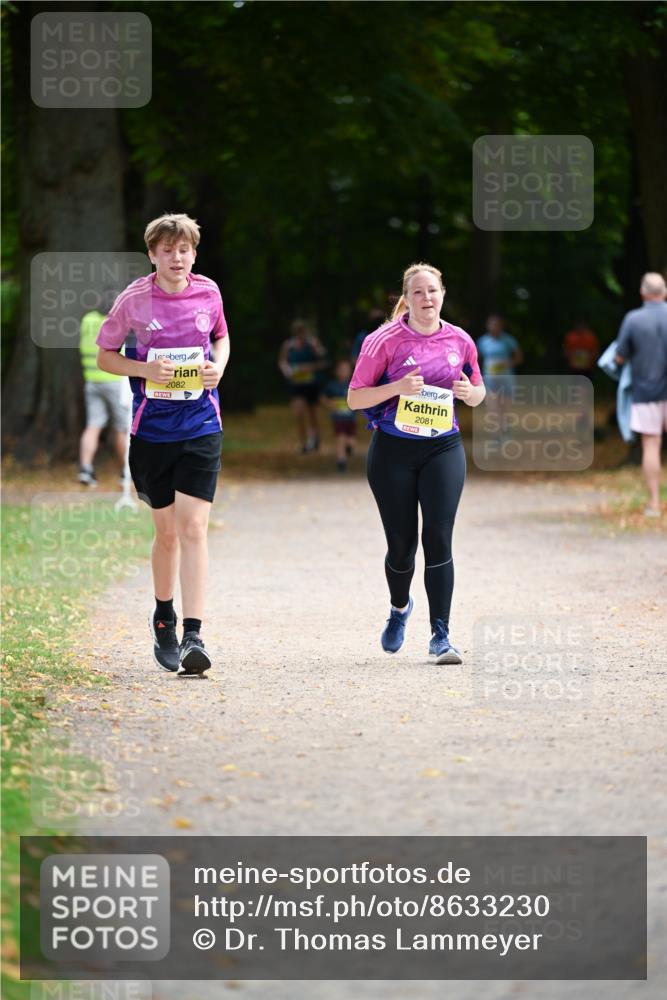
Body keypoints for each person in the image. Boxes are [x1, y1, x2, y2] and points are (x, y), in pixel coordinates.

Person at [96, 213, 230, 675]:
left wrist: (219, 366)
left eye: (185, 250)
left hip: (200, 425)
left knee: (194, 528)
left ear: (194, 253)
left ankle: (194, 632)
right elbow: (105, 357)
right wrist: (145, 370)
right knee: (167, 533)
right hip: (151, 432)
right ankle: (163, 616)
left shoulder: (208, 292)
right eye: (168, 250)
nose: (178, 257)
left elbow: (221, 338)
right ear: (152, 254)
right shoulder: (134, 299)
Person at [347, 263, 485, 664]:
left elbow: (479, 392)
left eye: (433, 291)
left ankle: (441, 636)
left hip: (443, 448)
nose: (427, 299)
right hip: (393, 450)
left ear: (444, 293)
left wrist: (470, 393)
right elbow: (355, 397)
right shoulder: (383, 341)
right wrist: (396, 388)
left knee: (439, 538)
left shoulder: (460, 340)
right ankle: (398, 607)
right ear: (406, 299)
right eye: (419, 293)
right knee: (402, 546)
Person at [615, 272, 667, 517]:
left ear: (643, 293)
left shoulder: (633, 320)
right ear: (664, 292)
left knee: (651, 445)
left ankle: (654, 504)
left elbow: (619, 357)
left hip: (646, 392)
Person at [78, 302, 131, 487]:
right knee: (121, 428)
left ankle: (85, 469)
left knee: (93, 425)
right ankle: (126, 473)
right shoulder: (116, 322)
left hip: (92, 380)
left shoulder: (87, 319)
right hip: (115, 380)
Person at [278, 319, 327, 453]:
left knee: (312, 414)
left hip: (311, 384)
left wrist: (309, 367)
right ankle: (303, 443)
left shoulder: (313, 344)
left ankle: (315, 439)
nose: (300, 336)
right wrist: (287, 370)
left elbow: (323, 362)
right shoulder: (288, 346)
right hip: (296, 385)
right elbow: (282, 361)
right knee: (299, 413)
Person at [322, 359, 357, 472]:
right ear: (337, 371)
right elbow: (322, 397)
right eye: (341, 369)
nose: (344, 372)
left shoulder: (353, 385)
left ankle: (348, 448)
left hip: (351, 419)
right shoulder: (332, 385)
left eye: (346, 370)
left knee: (351, 441)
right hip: (338, 419)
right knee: (340, 439)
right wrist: (329, 403)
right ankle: (341, 462)